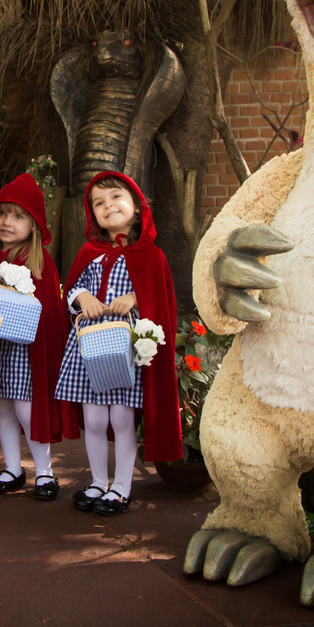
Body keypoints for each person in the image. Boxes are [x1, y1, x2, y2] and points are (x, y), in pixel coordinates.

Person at [54, 171, 182, 515]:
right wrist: (82, 297)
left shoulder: (152, 256)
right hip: (89, 348)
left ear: (137, 207)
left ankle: (122, 487)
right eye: (99, 203)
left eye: (115, 197)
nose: (108, 205)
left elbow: (160, 300)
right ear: (92, 214)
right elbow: (71, 289)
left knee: (122, 420)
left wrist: (136, 296)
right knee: (94, 420)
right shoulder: (90, 252)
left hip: (126, 351)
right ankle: (98, 482)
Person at [0, 173, 74, 500]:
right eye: (2, 213)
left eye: (19, 216)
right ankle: (12, 468)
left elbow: (48, 311)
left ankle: (45, 472)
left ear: (33, 225)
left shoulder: (38, 261)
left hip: (25, 350)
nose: (8, 222)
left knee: (26, 409)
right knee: (4, 408)